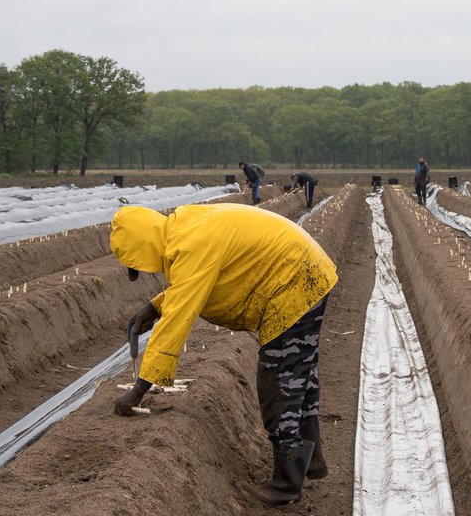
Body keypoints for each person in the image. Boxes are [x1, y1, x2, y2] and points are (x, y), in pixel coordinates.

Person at [110, 203, 338, 506]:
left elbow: (179, 316)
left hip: (293, 281)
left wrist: (139, 390)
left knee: (279, 383)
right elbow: (198, 282)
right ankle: (311, 461)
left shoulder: (190, 244)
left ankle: (286, 485)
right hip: (307, 273)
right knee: (300, 376)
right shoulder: (185, 228)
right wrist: (153, 307)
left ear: (143, 245)